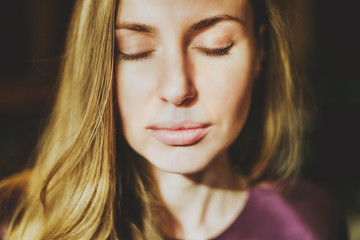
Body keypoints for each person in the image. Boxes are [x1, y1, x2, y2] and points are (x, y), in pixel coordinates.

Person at [0, 0, 348, 239]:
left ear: (260, 52)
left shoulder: (307, 223)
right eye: (135, 50)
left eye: (216, 45)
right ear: (97, 62)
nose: (177, 88)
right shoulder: (16, 221)